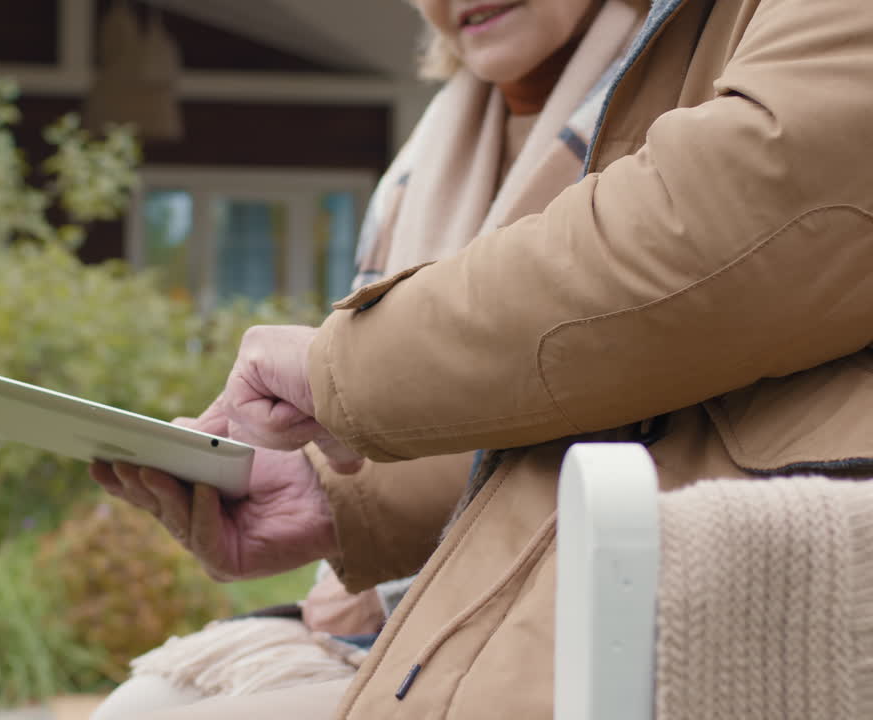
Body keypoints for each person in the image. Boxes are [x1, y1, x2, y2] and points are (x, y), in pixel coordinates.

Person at [98, 0, 873, 716]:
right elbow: (599, 374)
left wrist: (343, 370)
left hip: (677, 588)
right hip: (554, 570)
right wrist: (339, 498)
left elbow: (707, 249)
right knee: (148, 702)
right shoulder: (439, 139)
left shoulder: (668, 74)